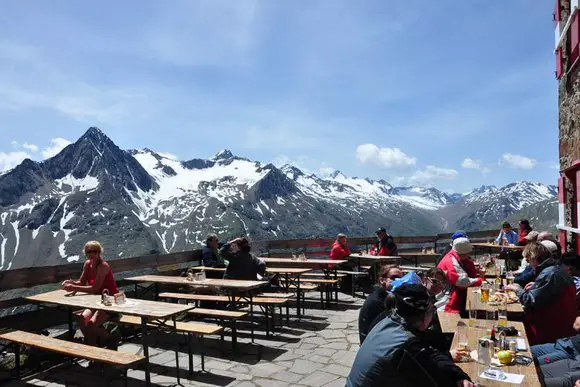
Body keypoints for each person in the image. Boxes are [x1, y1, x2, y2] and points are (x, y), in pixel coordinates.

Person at [347, 284, 474, 387]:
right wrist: (459, 378)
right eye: (432, 311)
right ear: (425, 317)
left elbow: (431, 354)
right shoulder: (406, 345)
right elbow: (435, 379)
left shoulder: (388, 320)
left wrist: (457, 375)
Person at [505, 243, 577, 345]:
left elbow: (530, 301)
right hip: (562, 324)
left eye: (528, 260)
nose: (529, 264)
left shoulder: (549, 274)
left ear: (534, 258)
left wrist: (517, 289)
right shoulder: (556, 269)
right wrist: (536, 285)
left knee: (508, 324)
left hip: (550, 329)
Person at [61, 241, 118, 346]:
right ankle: (93, 347)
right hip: (95, 300)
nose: (91, 254)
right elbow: (81, 282)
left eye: (94, 251)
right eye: (88, 252)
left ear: (99, 252)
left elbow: (95, 287)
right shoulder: (87, 264)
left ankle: (110, 340)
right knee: (81, 318)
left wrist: (73, 287)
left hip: (110, 301)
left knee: (91, 325)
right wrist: (71, 282)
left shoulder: (103, 266)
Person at [358, 264, 403, 343]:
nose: (399, 281)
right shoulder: (377, 301)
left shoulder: (385, 295)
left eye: (401, 278)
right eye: (394, 278)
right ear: (382, 280)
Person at [437, 237, 482, 315]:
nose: (469, 254)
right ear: (464, 253)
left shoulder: (453, 255)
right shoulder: (451, 261)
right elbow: (461, 281)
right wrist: (479, 281)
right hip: (447, 302)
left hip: (453, 295)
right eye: (468, 252)